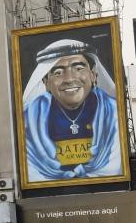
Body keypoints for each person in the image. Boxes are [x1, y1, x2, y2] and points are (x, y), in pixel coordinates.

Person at [21, 38, 122, 182]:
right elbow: (32, 173)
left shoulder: (113, 113)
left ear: (93, 75)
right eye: (58, 72)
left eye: (79, 68)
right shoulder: (28, 120)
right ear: (46, 82)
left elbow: (114, 168)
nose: (69, 79)